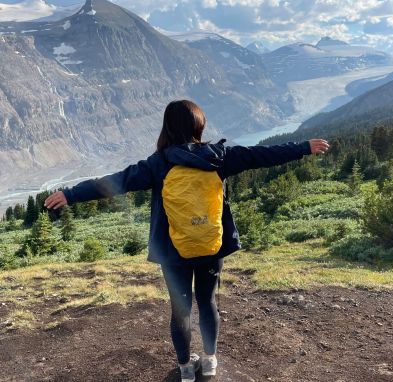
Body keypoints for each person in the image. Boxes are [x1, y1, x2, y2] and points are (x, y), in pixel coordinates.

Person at [44, 100, 330, 382]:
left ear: (167, 128)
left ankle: (184, 368)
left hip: (171, 251)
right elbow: (262, 155)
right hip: (210, 245)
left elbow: (116, 181)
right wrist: (303, 148)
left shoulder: (158, 164)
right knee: (207, 302)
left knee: (180, 308)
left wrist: (71, 194)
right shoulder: (220, 157)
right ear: (199, 125)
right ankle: (209, 362)